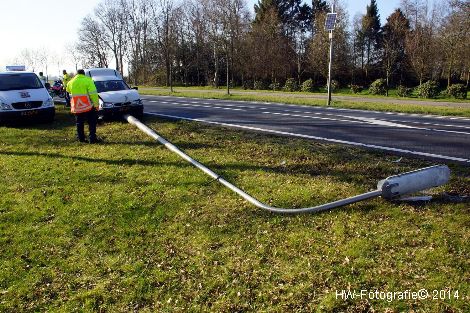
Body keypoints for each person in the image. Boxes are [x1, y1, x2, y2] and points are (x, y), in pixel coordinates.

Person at [66, 69, 102, 143]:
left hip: (77, 107)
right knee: (92, 122)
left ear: (76, 74)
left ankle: (81, 138)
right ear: (84, 74)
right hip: (88, 106)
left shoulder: (70, 82)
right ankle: (92, 138)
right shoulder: (88, 80)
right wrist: (96, 105)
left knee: (79, 123)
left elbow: (68, 91)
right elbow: (93, 94)